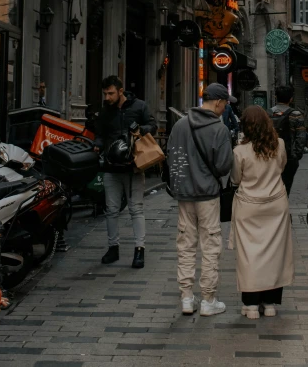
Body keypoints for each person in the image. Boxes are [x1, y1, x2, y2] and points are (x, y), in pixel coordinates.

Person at [167, 83, 234, 317]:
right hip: (208, 194)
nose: (225, 108)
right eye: (225, 103)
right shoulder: (219, 129)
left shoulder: (180, 124)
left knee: (185, 244)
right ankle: (208, 299)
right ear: (217, 102)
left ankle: (186, 297)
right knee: (210, 244)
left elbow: (171, 157)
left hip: (184, 194)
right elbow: (225, 165)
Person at [230, 106, 294, 319]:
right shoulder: (280, 145)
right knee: (274, 253)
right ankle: (269, 302)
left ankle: (250, 304)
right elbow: (282, 167)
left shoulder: (239, 151)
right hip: (276, 204)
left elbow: (235, 179)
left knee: (249, 254)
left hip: (248, 206)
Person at [94, 75, 157, 269]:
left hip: (133, 166)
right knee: (111, 210)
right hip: (111, 167)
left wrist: (140, 129)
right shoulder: (105, 111)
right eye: (105, 93)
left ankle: (140, 249)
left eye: (111, 93)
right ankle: (113, 247)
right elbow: (100, 134)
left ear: (120, 91)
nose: (107, 97)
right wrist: (97, 145)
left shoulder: (139, 106)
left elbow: (153, 125)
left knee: (135, 208)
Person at [270, 85, 306, 195]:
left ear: (276, 97)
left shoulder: (268, 113)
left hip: (270, 156)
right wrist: (297, 155)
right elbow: (301, 136)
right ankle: (283, 207)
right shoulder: (295, 114)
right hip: (289, 156)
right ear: (291, 99)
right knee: (286, 185)